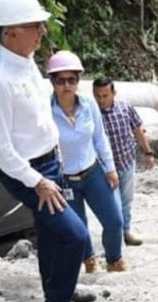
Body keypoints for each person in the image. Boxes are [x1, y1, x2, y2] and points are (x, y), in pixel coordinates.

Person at [0, 0, 87, 302]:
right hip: (28, 172)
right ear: (11, 31)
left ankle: (60, 289)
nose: (42, 32)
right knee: (75, 235)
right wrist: (37, 181)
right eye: (35, 26)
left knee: (52, 233)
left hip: (49, 162)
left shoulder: (24, 62)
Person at [47, 51, 128, 274]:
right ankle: (89, 260)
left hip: (93, 173)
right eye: (60, 80)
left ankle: (115, 259)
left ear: (78, 81)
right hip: (65, 180)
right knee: (78, 229)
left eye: (71, 79)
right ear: (52, 81)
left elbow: (100, 137)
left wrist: (110, 169)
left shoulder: (88, 105)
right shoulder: (46, 110)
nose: (66, 85)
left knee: (114, 221)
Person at [93, 77, 153, 247]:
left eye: (105, 95)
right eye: (97, 96)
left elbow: (137, 130)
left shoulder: (125, 108)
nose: (101, 100)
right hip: (103, 168)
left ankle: (125, 232)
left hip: (126, 161)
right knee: (110, 204)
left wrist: (148, 152)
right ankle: (114, 238)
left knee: (126, 201)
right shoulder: (91, 112)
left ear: (114, 93)